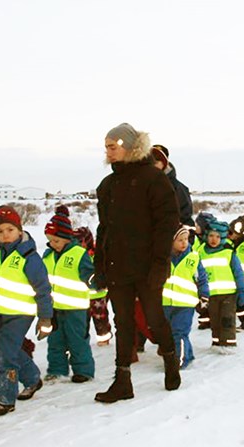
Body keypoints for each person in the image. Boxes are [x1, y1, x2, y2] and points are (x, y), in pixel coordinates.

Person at [93, 123, 181, 403]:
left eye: (114, 144)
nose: (109, 149)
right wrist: (100, 264)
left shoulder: (153, 179)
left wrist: (159, 263)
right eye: (106, 145)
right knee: (123, 322)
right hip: (118, 265)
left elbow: (166, 223)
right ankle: (122, 381)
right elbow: (104, 228)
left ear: (131, 146)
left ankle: (170, 361)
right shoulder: (107, 185)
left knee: (154, 318)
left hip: (147, 266)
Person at [0, 205, 52, 415]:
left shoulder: (28, 257)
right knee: (11, 351)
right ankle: (32, 379)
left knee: (3, 355)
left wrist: (45, 317)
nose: (5, 235)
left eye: (10, 230)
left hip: (21, 314)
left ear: (19, 231)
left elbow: (43, 288)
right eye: (0, 231)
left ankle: (5, 399)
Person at [42, 206, 96, 383]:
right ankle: (57, 369)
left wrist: (96, 282)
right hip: (54, 308)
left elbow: (89, 274)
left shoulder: (78, 254)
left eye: (56, 240)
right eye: (50, 240)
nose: (53, 244)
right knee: (55, 341)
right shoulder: (47, 256)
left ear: (66, 238)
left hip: (76, 308)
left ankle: (83, 370)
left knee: (77, 340)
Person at [162, 225, 209, 368]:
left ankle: (179, 361)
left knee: (179, 332)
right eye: (180, 240)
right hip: (165, 303)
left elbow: (202, 278)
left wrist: (204, 295)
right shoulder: (163, 258)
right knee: (169, 333)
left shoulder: (193, 257)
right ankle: (187, 353)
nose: (184, 243)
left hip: (185, 304)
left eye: (186, 239)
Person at [199, 219, 244, 351]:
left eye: (218, 237)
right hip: (211, 295)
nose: (214, 239)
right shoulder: (200, 253)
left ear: (223, 238)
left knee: (227, 319)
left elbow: (238, 273)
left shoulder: (228, 253)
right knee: (214, 320)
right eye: (211, 236)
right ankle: (217, 342)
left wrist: (242, 289)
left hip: (228, 294)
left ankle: (229, 343)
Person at [72, 226, 112, 346]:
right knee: (82, 319)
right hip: (81, 295)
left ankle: (103, 338)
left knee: (100, 318)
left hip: (98, 294)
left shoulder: (97, 254)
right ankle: (80, 339)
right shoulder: (75, 254)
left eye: (80, 241)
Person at [152, 144, 195, 227]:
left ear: (165, 163)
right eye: (150, 161)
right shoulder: (138, 185)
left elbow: (186, 219)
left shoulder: (178, 188)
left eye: (156, 162)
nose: (152, 165)